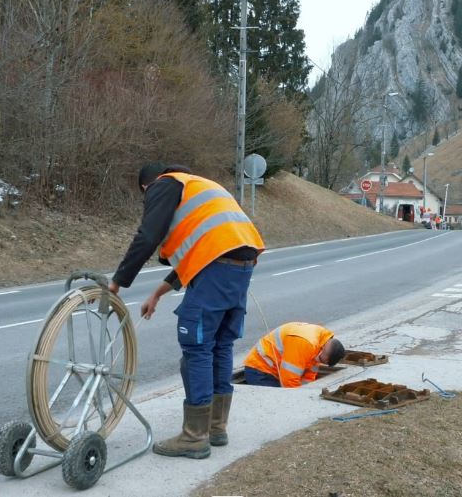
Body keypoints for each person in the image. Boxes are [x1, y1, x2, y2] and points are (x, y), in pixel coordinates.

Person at [108, 162, 265, 460]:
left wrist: (117, 283)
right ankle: (216, 428)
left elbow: (148, 235)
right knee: (220, 345)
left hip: (218, 265)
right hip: (240, 264)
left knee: (197, 346)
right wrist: (157, 293)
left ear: (146, 186)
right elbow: (202, 255)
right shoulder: (200, 188)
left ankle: (194, 437)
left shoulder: (164, 184)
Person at [243, 322, 345, 388]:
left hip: (273, 371)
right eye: (323, 361)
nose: (320, 362)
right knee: (276, 402)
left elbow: (310, 373)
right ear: (324, 350)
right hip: (259, 370)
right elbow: (289, 380)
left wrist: (305, 390)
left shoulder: (320, 341)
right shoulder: (305, 343)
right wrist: (298, 397)